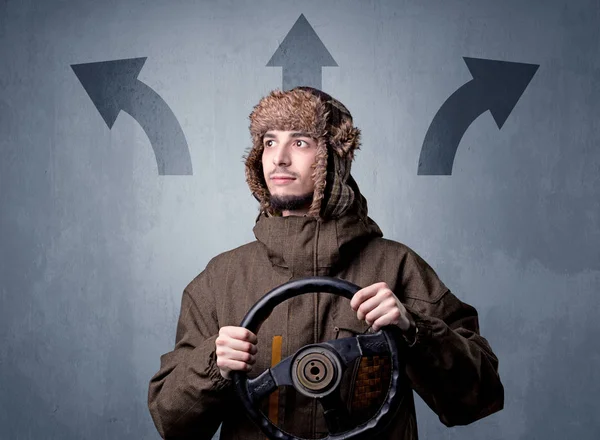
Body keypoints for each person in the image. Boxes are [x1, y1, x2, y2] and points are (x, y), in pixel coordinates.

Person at [147, 86, 504, 439]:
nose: (279, 158)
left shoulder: (398, 267)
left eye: (300, 142)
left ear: (334, 156)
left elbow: (479, 398)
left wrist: (415, 331)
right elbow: (172, 424)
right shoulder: (221, 279)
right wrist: (213, 363)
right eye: (269, 142)